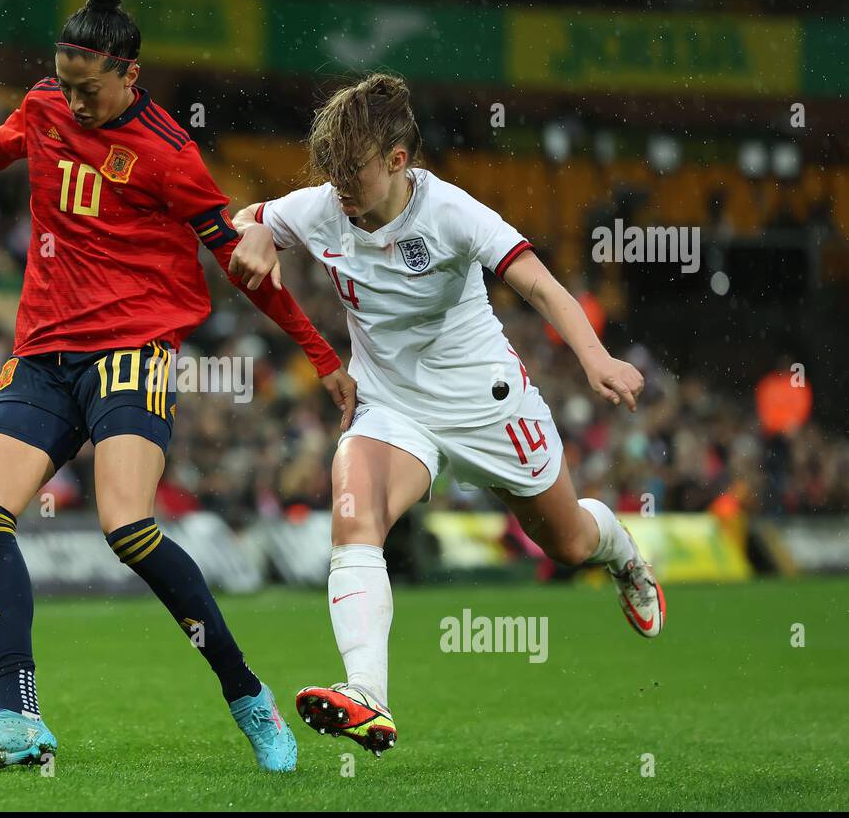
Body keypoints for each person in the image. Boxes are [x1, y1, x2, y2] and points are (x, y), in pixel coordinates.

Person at [0, 0, 356, 772]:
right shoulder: (48, 102)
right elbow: (8, 138)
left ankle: (246, 693)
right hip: (44, 353)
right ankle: (18, 717)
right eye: (67, 86)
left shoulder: (168, 154)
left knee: (126, 528)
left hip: (133, 351)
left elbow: (241, 264)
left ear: (130, 73)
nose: (75, 104)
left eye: (90, 90)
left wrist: (321, 355)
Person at [227, 73, 665, 756]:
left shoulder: (453, 213)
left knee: (568, 544)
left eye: (354, 169)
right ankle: (368, 693)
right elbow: (245, 218)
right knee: (355, 509)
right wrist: (253, 229)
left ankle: (626, 558)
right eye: (331, 169)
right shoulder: (320, 208)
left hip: (485, 401)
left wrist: (596, 359)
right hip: (392, 407)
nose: (339, 184)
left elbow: (542, 286)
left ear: (398, 161)